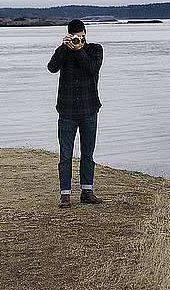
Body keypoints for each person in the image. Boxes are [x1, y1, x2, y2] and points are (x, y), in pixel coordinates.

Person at [47, 18, 104, 208]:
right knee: (65, 156)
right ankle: (65, 195)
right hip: (67, 112)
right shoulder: (64, 51)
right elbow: (52, 68)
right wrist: (64, 48)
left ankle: (87, 191)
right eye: (76, 38)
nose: (80, 40)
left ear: (86, 34)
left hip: (89, 110)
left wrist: (79, 51)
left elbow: (92, 69)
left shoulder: (95, 49)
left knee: (88, 154)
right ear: (69, 36)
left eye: (82, 37)